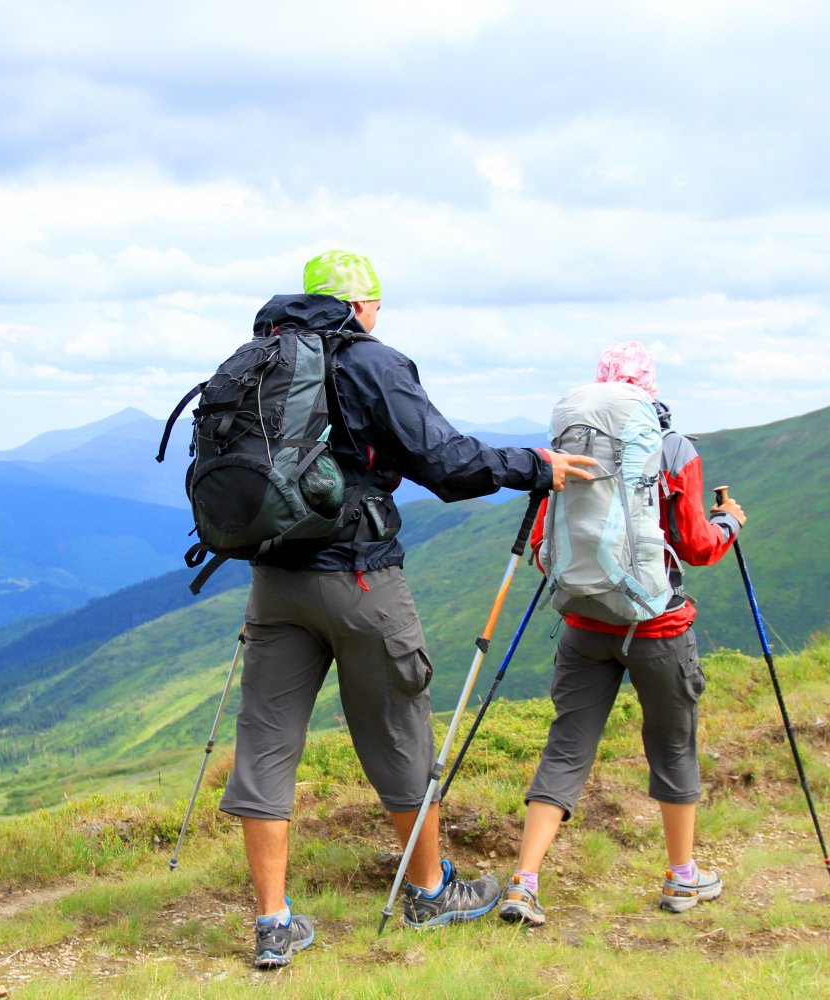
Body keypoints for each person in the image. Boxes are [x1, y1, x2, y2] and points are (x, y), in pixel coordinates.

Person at [218, 250, 595, 969]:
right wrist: (534, 466)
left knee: (266, 740)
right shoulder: (373, 362)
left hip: (273, 578)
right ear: (363, 304)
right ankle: (429, 891)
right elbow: (447, 463)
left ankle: (272, 922)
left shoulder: (261, 360)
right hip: (360, 579)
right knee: (396, 730)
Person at [497, 341, 747, 926]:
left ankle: (523, 883)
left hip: (584, 623)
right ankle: (682, 880)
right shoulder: (674, 448)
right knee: (673, 745)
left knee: (566, 748)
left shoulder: (569, 447)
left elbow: (542, 546)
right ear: (650, 391)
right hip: (659, 627)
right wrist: (729, 522)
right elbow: (695, 547)